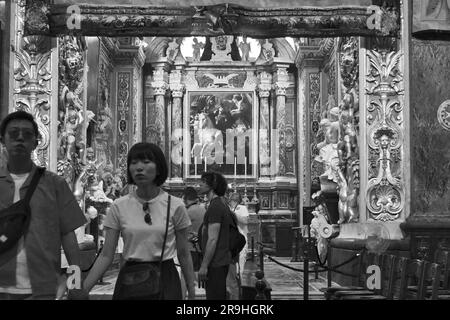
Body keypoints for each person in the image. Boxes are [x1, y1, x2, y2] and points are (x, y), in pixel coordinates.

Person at [83, 142, 195, 300]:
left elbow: (183, 253)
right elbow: (106, 255)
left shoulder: (175, 206)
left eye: (146, 162)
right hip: (131, 277)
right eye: (134, 163)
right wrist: (84, 289)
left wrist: (191, 288)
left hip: (165, 277)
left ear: (159, 168)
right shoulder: (119, 206)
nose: (139, 167)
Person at [0, 111, 86, 300]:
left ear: (36, 142)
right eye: (14, 134)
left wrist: (75, 283)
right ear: (3, 140)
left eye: (27, 134)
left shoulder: (54, 184)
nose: (20, 138)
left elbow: (68, 237)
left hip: (44, 287)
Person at [198, 171, 233, 300]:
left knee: (215, 296)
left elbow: (213, 239)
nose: (199, 185)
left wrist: (204, 266)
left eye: (203, 182)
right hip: (218, 260)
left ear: (212, 186)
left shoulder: (215, 207)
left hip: (216, 262)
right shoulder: (218, 204)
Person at [179, 186, 205, 298]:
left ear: (185, 198)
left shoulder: (188, 211)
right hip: (200, 247)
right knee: (194, 277)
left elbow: (181, 231)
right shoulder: (203, 209)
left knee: (185, 277)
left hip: (190, 248)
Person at [226, 192, 249, 300]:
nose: (232, 200)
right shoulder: (227, 208)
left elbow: (245, 221)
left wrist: (233, 214)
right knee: (231, 272)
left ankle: (239, 295)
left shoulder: (242, 208)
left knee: (240, 270)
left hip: (241, 242)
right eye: (231, 199)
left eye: (234, 199)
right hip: (230, 243)